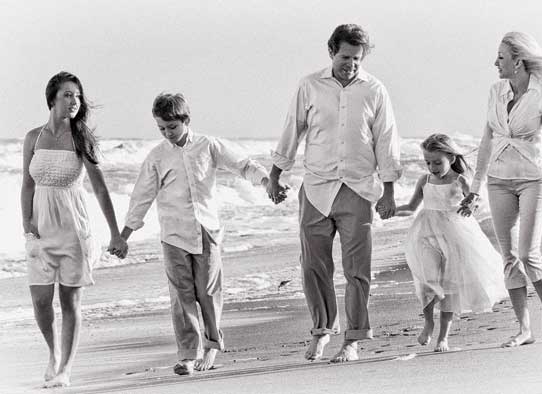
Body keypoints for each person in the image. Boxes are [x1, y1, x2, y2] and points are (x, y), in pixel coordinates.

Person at [267, 24, 402, 363]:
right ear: (331, 52)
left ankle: (353, 339)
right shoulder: (309, 85)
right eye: (345, 57)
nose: (351, 65)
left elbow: (387, 140)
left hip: (358, 189)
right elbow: (291, 129)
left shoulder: (375, 90)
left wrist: (388, 191)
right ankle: (322, 331)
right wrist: (275, 175)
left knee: (358, 269)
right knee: (313, 265)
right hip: (315, 187)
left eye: (357, 59)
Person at [121, 93, 269, 374]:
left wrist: (264, 180)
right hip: (173, 235)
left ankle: (212, 345)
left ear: (186, 120)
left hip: (206, 230)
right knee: (181, 295)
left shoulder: (208, 146)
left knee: (208, 292)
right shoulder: (157, 156)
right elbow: (141, 196)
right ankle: (188, 354)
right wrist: (124, 235)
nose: (168, 134)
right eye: (162, 129)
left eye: (172, 128)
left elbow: (243, 164)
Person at [20, 71, 128, 388]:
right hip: (40, 232)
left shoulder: (81, 139)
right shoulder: (33, 138)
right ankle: (53, 355)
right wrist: (26, 224)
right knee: (40, 302)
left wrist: (115, 233)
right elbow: (27, 185)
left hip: (74, 233)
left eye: (78, 96)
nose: (74, 101)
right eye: (68, 94)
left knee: (70, 304)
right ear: (52, 98)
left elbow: (101, 189)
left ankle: (66, 369)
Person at [460, 32, 542, 347]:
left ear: (518, 61)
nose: (495, 62)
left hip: (533, 178)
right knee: (508, 256)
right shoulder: (495, 90)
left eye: (501, 57)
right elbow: (486, 140)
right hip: (498, 179)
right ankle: (523, 328)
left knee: (527, 253)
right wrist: (475, 187)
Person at [397, 134, 507, 352]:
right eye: (428, 162)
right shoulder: (424, 180)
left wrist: (471, 205)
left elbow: (477, 201)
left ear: (451, 157)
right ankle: (428, 322)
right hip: (425, 233)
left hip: (455, 234)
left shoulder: (460, 180)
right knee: (428, 279)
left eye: (437, 162)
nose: (432, 167)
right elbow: (411, 207)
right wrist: (391, 210)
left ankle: (443, 337)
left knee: (450, 285)